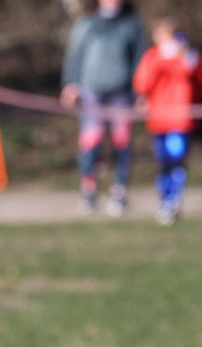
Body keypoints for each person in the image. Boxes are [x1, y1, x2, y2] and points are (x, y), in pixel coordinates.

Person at [60, 0, 146, 217]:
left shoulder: (132, 24)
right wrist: (70, 85)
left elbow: (139, 60)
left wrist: (140, 93)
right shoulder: (86, 23)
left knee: (122, 142)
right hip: (92, 91)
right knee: (91, 140)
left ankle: (119, 192)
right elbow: (74, 56)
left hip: (122, 92)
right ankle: (88, 191)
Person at [133, 17, 202, 226]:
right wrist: (160, 60)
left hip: (181, 118)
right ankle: (164, 200)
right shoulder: (152, 57)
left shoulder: (190, 57)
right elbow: (142, 83)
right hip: (158, 119)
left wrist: (184, 58)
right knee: (163, 163)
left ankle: (174, 201)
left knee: (177, 159)